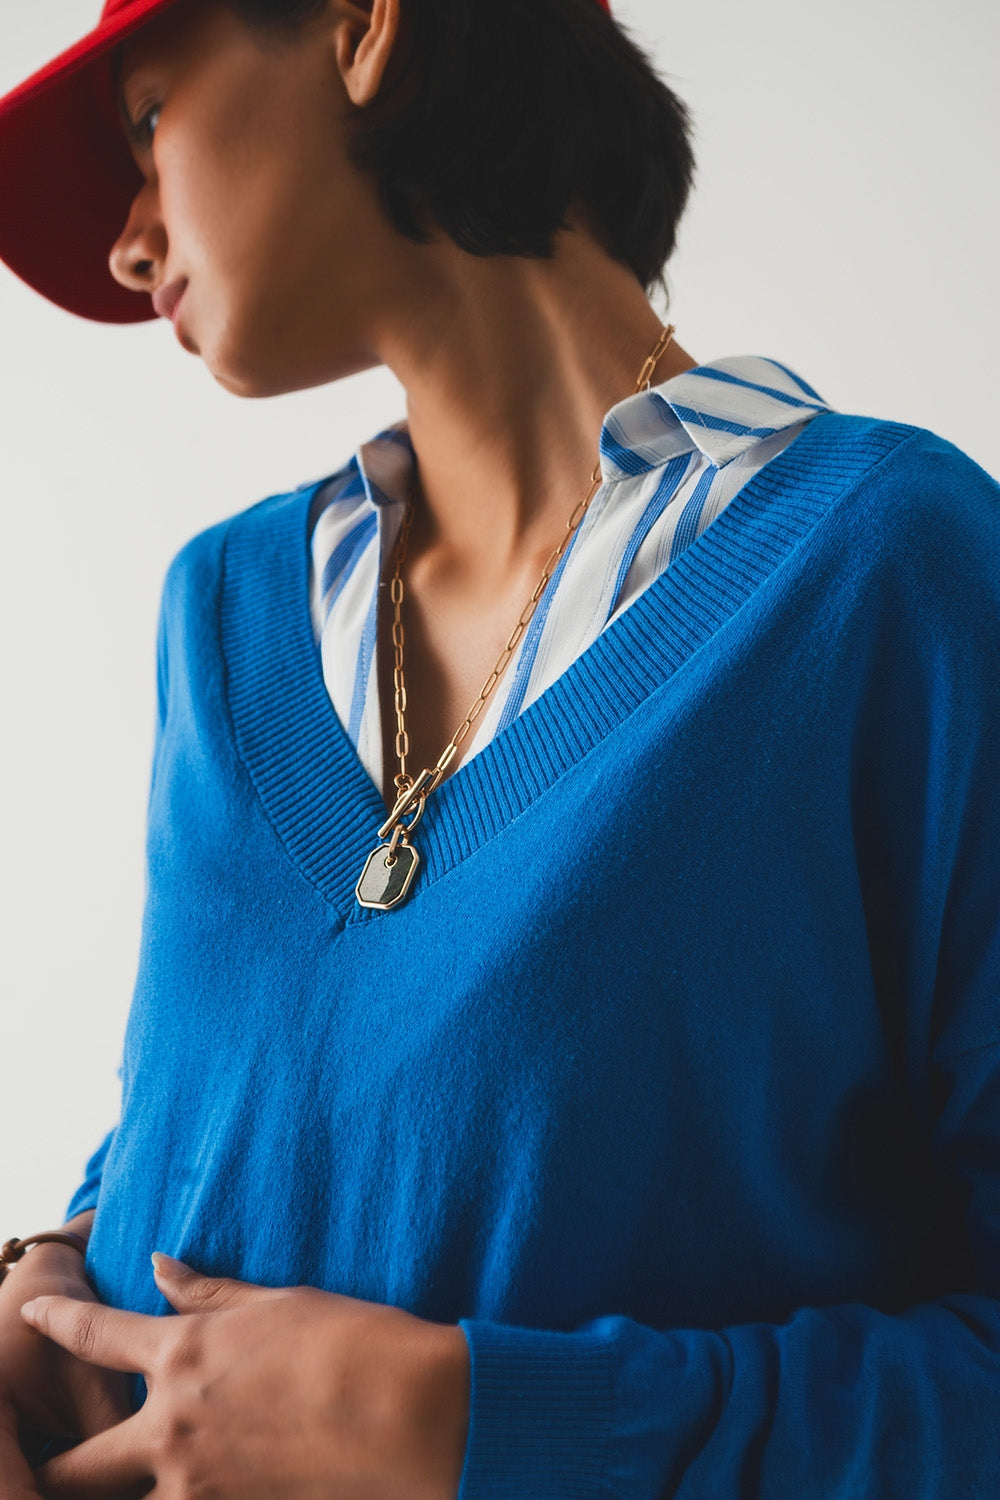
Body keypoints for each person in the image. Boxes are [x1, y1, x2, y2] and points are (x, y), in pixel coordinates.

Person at [0, 0, 998, 1495]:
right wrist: (58, 1282)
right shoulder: (223, 613)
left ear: (358, 27)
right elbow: (246, 1112)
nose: (130, 245)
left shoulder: (885, 575)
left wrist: (470, 1425)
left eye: (147, 125)